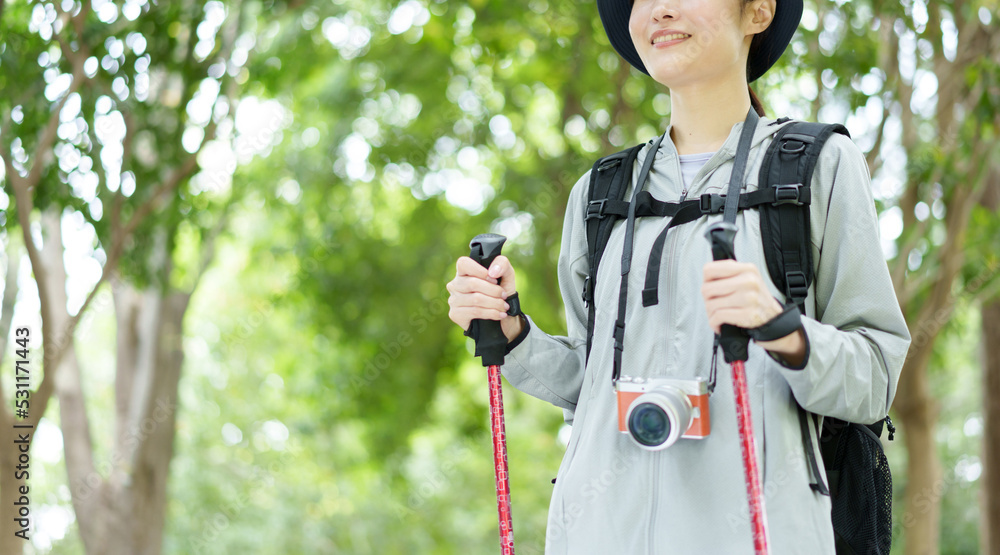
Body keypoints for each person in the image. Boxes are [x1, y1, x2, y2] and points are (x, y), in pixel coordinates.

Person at [446, 0, 911, 552]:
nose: (659, 9)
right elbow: (593, 386)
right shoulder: (600, 192)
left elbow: (875, 377)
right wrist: (511, 330)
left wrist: (782, 329)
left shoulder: (819, 165)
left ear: (758, 12)